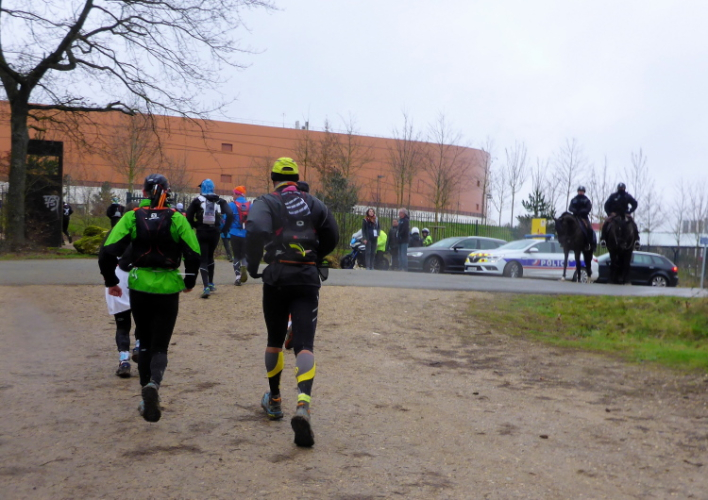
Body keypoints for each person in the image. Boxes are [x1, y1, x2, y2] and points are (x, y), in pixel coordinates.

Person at [245, 157, 339, 447]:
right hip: (307, 278)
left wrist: (253, 264)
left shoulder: (267, 201)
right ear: (297, 179)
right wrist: (315, 256)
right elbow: (333, 234)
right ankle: (303, 404)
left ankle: (274, 400)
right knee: (305, 345)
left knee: (274, 341)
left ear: (273, 178)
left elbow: (255, 229)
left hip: (276, 276)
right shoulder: (315, 203)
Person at [98, 174, 200, 422]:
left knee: (143, 341)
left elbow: (107, 252)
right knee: (160, 346)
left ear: (143, 192)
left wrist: (111, 282)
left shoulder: (132, 216)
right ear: (167, 192)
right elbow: (194, 254)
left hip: (139, 285)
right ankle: (154, 383)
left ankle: (146, 396)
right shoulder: (176, 218)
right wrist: (189, 282)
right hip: (168, 286)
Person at [186, 179, 234, 298]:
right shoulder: (220, 200)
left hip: (202, 232)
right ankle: (211, 283)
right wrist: (225, 229)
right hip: (215, 232)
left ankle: (206, 286)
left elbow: (188, 215)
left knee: (203, 258)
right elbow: (230, 214)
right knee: (210, 256)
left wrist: (195, 225)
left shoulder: (197, 201)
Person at [104, 249, 140, 377]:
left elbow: (104, 256)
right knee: (143, 320)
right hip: (142, 277)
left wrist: (109, 279)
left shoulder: (115, 237)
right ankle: (139, 346)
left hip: (119, 277)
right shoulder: (149, 235)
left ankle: (124, 361)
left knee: (122, 326)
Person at [601, 182, 639, 247]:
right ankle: (603, 239)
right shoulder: (613, 196)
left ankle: (637, 240)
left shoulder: (627, 196)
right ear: (618, 188)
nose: (621, 189)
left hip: (625, 214)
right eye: (620, 188)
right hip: (614, 214)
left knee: (633, 223)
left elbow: (635, 203)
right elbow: (606, 205)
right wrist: (609, 213)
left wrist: (630, 211)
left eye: (622, 188)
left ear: (624, 188)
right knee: (606, 223)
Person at [228, 186, 250, 286]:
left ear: (237, 194)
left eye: (233, 193)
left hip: (234, 233)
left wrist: (225, 229)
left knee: (236, 256)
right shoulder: (250, 205)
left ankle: (237, 277)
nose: (232, 196)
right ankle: (244, 267)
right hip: (246, 234)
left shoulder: (231, 205)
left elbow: (225, 218)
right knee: (244, 255)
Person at [568, 185, 596, 252]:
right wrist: (574, 210)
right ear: (578, 192)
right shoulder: (574, 200)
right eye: (580, 191)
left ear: (584, 192)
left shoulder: (586, 200)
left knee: (589, 229)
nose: (581, 192)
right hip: (574, 217)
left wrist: (582, 211)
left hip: (583, 217)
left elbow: (588, 208)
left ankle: (589, 243)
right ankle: (567, 242)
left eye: (582, 191)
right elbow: (570, 207)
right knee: (567, 227)